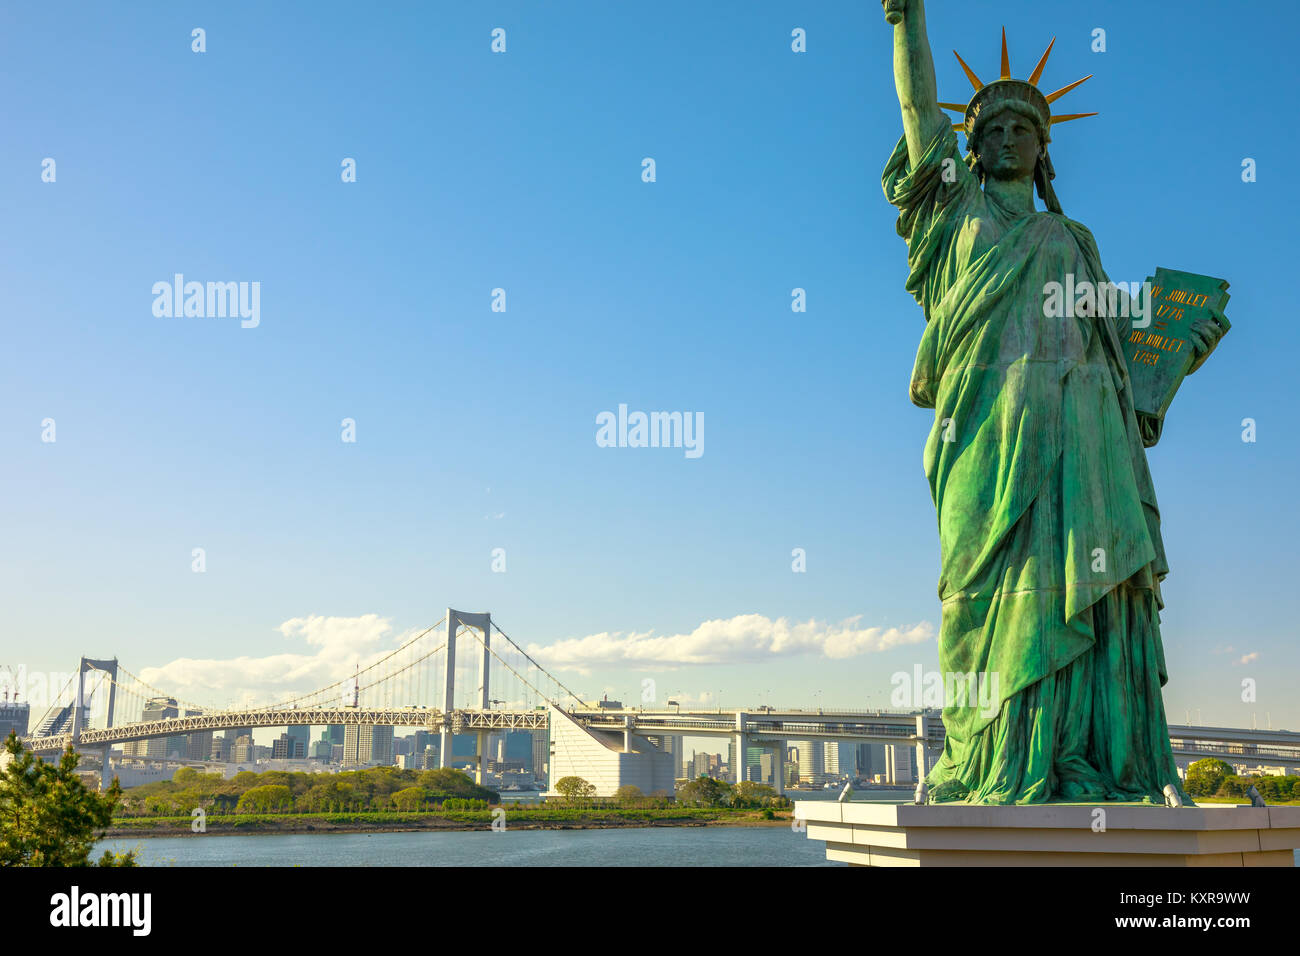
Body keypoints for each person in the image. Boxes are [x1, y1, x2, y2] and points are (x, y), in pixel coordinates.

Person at [881, 0, 1225, 804]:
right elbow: (915, 107)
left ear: (1042, 152)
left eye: (1021, 132)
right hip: (983, 433)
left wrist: (1179, 364)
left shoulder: (1073, 242)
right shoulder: (952, 213)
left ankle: (1094, 759)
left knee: (1088, 588)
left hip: (1082, 438)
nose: (1005, 140)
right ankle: (986, 758)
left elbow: (1119, 364)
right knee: (975, 593)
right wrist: (907, 20)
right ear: (969, 147)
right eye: (991, 130)